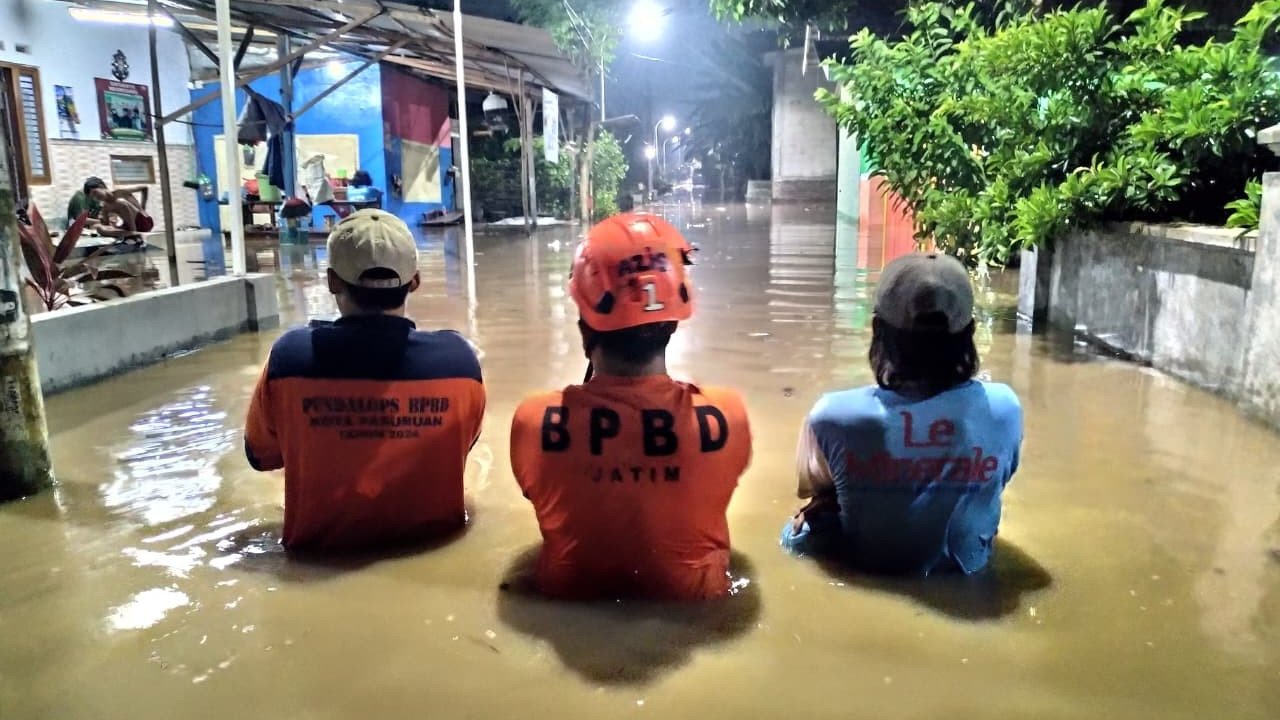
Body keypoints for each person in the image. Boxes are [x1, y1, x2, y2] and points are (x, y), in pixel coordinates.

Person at [510, 213, 753, 601]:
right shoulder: (726, 416)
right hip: (696, 608)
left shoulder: (535, 420)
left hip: (570, 604)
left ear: (583, 322)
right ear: (672, 322)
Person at [244, 209, 486, 552]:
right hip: (431, 556)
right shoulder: (460, 364)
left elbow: (260, 457)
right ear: (414, 281)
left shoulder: (290, 359)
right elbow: (460, 447)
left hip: (317, 565)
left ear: (332, 281)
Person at [781, 252, 1023, 575]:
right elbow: (999, 479)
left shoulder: (833, 416)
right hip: (966, 575)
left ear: (877, 329)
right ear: (970, 332)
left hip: (870, 566)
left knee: (799, 532)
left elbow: (817, 489)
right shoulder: (1004, 408)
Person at [68, 177, 153, 238]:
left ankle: (134, 234)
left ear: (101, 186)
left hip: (143, 222)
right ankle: (132, 234)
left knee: (120, 202)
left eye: (95, 193)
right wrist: (107, 226)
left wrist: (143, 208)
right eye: (92, 197)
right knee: (99, 228)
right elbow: (107, 224)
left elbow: (144, 188)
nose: (95, 197)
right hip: (128, 226)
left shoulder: (119, 192)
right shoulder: (105, 207)